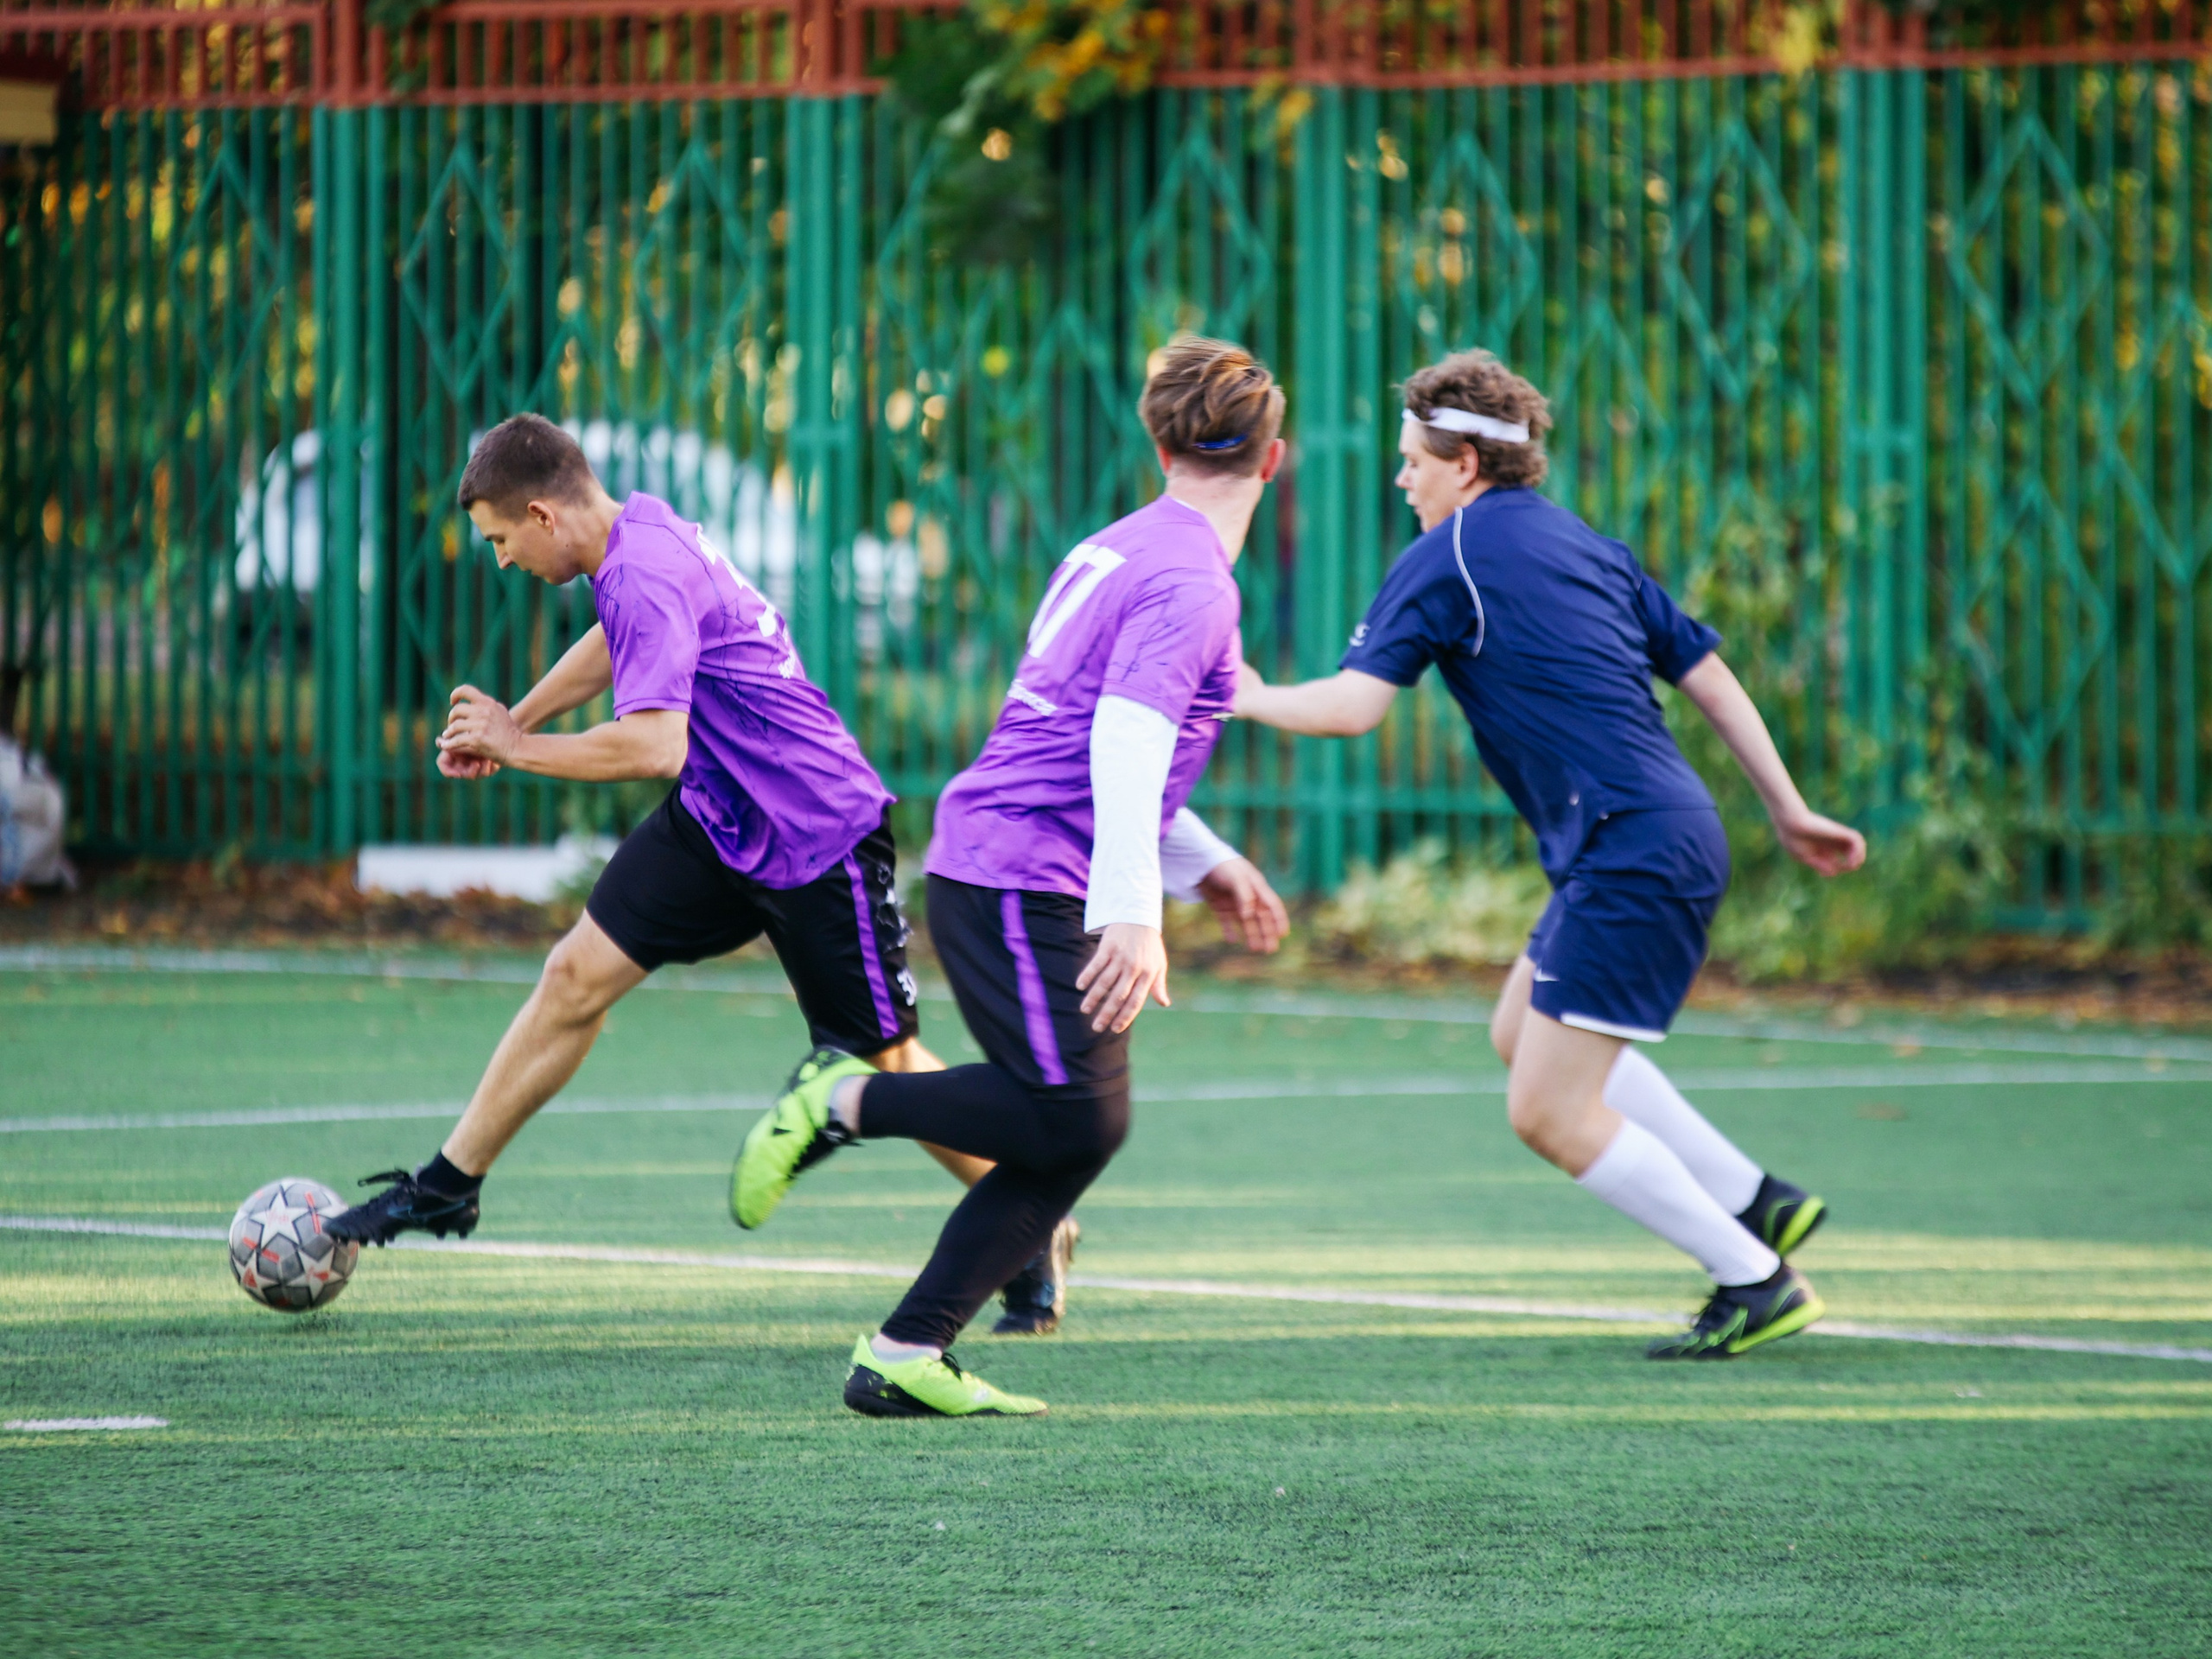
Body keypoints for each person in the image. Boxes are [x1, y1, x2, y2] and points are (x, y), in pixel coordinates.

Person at [326, 415, 1074, 1338]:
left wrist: (518, 746)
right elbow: (622, 643)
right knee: (574, 975)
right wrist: (516, 719)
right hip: (719, 820)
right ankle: (449, 1186)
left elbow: (652, 745)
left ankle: (1032, 1223)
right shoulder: (633, 534)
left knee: (883, 1062)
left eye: (500, 540)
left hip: (816, 832)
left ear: (539, 513)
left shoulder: (639, 565)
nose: (501, 560)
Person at [1236, 350, 1866, 1360]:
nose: (1402, 478)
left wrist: (1246, 693)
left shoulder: (1450, 556)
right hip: (1654, 832)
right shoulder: (1585, 544)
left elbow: (1354, 710)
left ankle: (1754, 1279)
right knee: (1515, 1029)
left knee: (1544, 1111)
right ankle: (1757, 1201)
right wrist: (1786, 808)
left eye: (1413, 460)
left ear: (1468, 465)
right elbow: (1706, 673)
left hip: (1627, 848)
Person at [724, 338, 1293, 1417]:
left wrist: (1200, 860)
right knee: (1077, 1119)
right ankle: (841, 1100)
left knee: (1076, 1126)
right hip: (1022, 877)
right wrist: (1135, 914)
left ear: (1157, 440)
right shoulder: (1192, 585)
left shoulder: (1120, 550)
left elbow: (1085, 737)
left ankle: (906, 1351)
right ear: (1275, 462)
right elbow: (1121, 740)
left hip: (1006, 860)